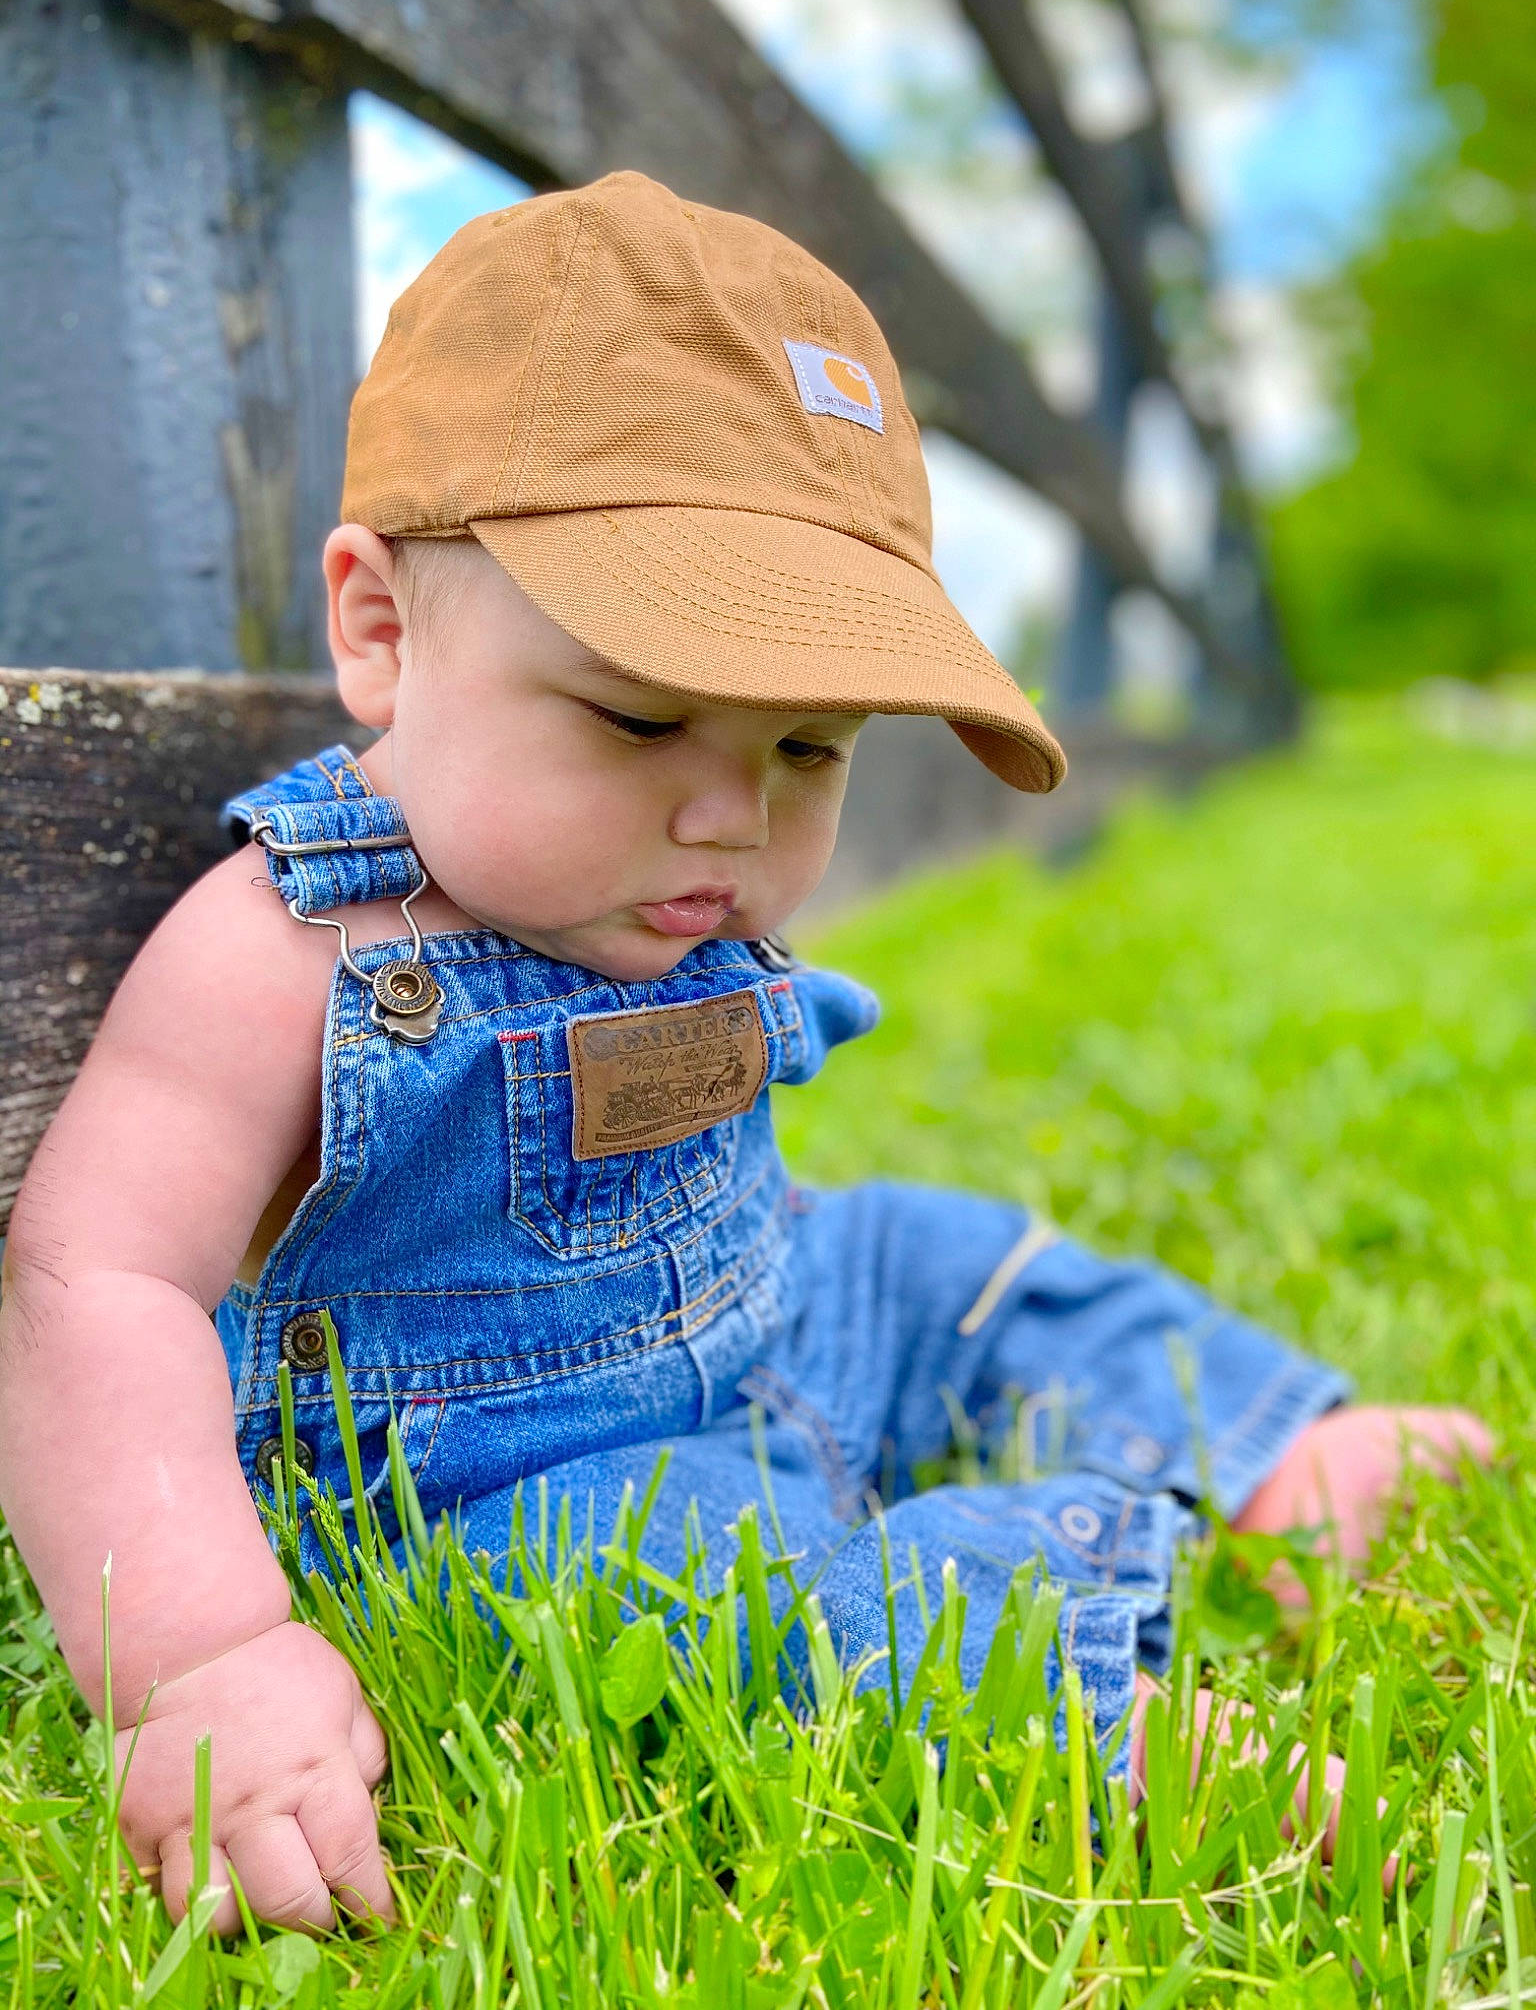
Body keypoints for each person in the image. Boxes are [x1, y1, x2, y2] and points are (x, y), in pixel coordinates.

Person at [0, 171, 1488, 1938]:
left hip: (776, 1316)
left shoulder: (657, 880)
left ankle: (1263, 1442)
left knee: (944, 1257)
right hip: (503, 1482)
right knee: (728, 1581)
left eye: (810, 748)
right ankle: (1079, 1704)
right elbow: (93, 1275)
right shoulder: (292, 950)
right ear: (382, 629)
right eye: (638, 716)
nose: (729, 813)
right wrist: (202, 1653)